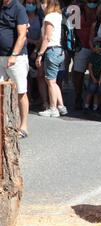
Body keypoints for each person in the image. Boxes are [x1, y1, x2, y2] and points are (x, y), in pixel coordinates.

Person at [0, 0, 30, 138]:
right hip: (0, 57)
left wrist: (14, 55)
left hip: (15, 57)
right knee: (1, 92)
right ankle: (3, 123)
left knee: (20, 91)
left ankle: (23, 126)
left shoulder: (19, 8)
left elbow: (22, 35)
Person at [36, 0, 68, 118]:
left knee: (50, 82)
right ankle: (61, 106)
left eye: (44, 3)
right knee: (53, 81)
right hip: (60, 51)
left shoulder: (49, 17)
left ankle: (53, 108)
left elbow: (47, 37)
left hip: (52, 51)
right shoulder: (59, 16)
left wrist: (40, 54)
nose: (41, 5)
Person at [73, 0, 98, 110]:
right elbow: (71, 28)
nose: (92, 2)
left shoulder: (100, 10)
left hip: (97, 48)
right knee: (79, 74)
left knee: (96, 74)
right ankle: (78, 97)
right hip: (82, 46)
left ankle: (94, 99)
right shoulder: (79, 10)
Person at [24, 0, 48, 110]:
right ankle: (26, 102)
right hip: (24, 49)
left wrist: (36, 50)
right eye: (28, 3)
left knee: (40, 77)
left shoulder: (40, 17)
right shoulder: (22, 16)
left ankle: (45, 103)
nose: (30, 5)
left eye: (32, 3)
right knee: (26, 77)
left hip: (38, 49)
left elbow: (43, 37)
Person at [84, 37, 101, 112]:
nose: (98, 48)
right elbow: (90, 67)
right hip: (93, 77)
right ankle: (86, 106)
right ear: (94, 47)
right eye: (96, 47)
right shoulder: (92, 56)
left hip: (100, 77)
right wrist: (92, 77)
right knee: (91, 90)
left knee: (98, 92)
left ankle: (95, 107)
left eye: (100, 46)